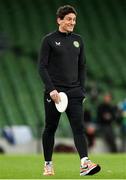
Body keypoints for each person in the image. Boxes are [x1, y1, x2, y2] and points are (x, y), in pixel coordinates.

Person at [38, 5, 101, 176]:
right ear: (59, 20)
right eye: (68, 19)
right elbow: (42, 67)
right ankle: (48, 164)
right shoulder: (49, 40)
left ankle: (84, 163)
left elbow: (82, 67)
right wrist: (51, 90)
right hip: (55, 93)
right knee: (51, 127)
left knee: (79, 128)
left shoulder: (78, 40)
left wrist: (81, 90)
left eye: (74, 20)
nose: (72, 22)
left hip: (74, 92)